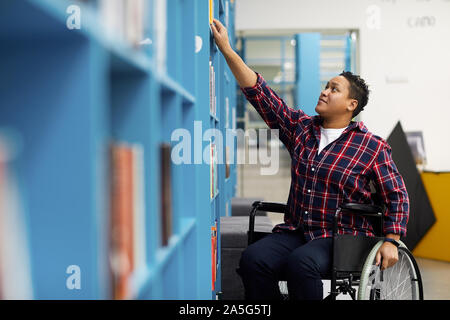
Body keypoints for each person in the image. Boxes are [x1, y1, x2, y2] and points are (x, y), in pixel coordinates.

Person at [210, 19, 409, 300]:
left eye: (334, 89)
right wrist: (227, 50)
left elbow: (397, 195)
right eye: (326, 86)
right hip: (297, 231)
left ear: (352, 105)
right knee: (254, 259)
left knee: (300, 264)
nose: (324, 91)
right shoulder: (302, 129)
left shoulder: (372, 147)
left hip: (342, 238)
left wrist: (392, 239)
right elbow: (261, 95)